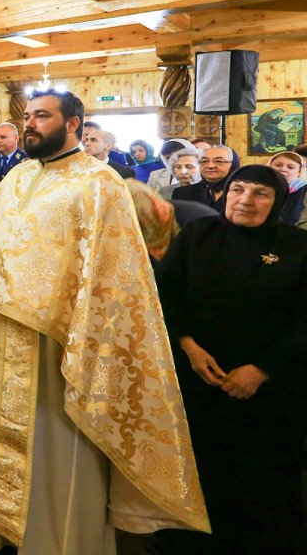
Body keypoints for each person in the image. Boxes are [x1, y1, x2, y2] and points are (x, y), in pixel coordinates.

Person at [0, 89, 209, 553]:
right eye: (28, 116)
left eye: (42, 116)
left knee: (52, 439)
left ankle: (51, 538)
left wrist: (84, 333)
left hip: (59, 337)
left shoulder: (100, 182)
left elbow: (114, 273)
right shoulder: (16, 177)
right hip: (2, 326)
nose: (30, 124)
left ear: (72, 123)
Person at [155, 165, 307, 555]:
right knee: (200, 471)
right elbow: (166, 294)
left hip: (271, 390)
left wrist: (261, 371)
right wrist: (188, 344)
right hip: (199, 380)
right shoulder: (196, 236)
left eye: (260, 194)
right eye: (238, 190)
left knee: (263, 481)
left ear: (278, 202)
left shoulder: (296, 245)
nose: (245, 201)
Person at [173, 145, 237, 213]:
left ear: (233, 165)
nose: (210, 166)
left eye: (219, 161)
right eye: (204, 161)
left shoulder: (243, 193)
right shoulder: (182, 194)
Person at [268, 151, 306, 225]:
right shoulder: (261, 188)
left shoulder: (304, 191)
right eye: (278, 165)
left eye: (290, 167)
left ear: (299, 172)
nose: (283, 169)